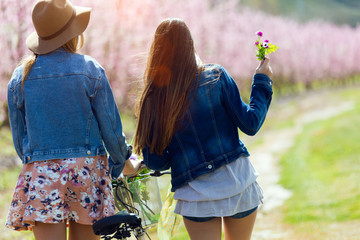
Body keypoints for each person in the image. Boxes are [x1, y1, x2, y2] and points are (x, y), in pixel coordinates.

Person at [5, 0, 139, 239]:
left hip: (43, 174)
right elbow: (111, 129)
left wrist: (38, 161)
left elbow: (20, 140)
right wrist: (119, 164)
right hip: (87, 172)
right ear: (73, 33)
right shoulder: (90, 69)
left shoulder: (20, 77)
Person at [134, 18, 273, 240]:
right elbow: (251, 123)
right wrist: (261, 81)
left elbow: (156, 161)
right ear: (190, 45)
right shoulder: (216, 77)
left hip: (196, 196)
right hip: (237, 181)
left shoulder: (154, 98)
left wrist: (180, 154)